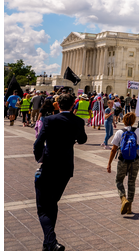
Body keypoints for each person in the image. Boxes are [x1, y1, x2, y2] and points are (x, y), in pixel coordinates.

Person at [33, 93, 88, 251]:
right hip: (65, 168)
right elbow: (83, 139)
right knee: (52, 203)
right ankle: (47, 244)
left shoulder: (50, 120)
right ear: (73, 105)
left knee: (43, 207)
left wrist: (40, 158)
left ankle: (51, 242)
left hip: (49, 166)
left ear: (58, 104)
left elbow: (38, 143)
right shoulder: (77, 121)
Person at [106, 112, 139, 215]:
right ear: (133, 121)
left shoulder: (119, 132)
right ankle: (129, 206)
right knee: (131, 182)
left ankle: (123, 199)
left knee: (119, 180)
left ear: (124, 121)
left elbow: (113, 149)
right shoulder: (138, 131)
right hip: (135, 160)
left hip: (123, 159)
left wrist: (109, 163)